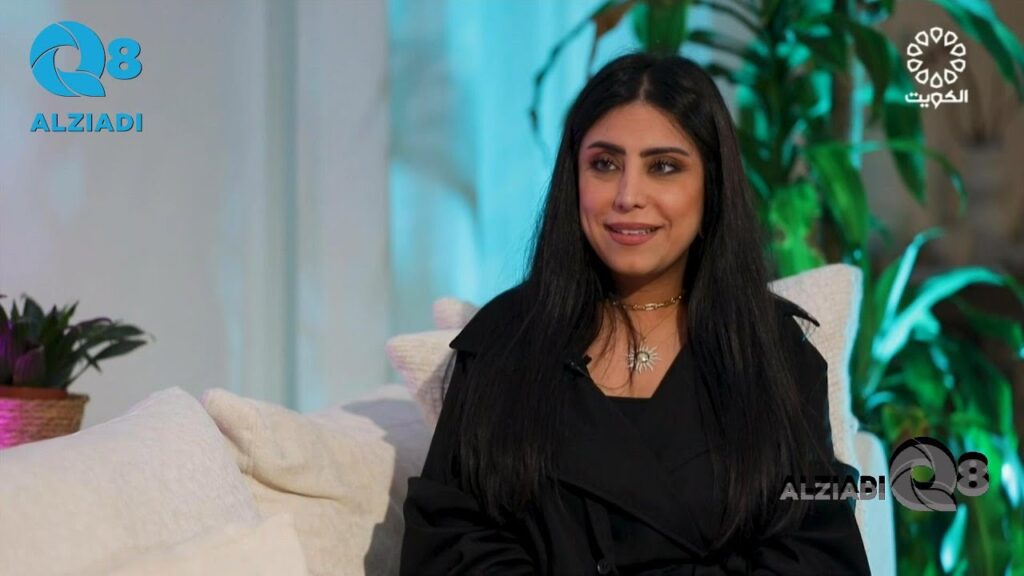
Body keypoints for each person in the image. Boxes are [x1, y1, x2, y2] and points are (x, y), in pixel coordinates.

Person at [400, 52, 871, 575]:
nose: (628, 196)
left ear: (711, 187)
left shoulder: (772, 352)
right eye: (604, 164)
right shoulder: (505, 342)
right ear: (573, 179)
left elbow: (818, 554)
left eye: (663, 167)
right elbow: (449, 544)